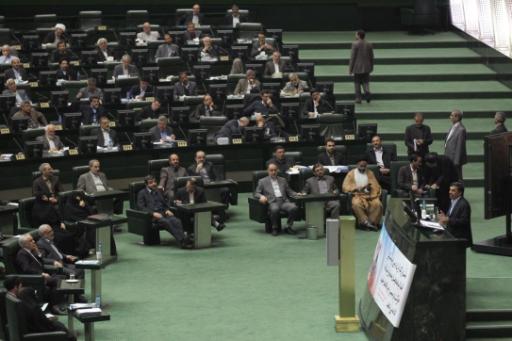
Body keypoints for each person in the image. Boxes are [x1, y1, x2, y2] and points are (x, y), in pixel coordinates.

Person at [15, 234, 66, 315]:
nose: (34, 241)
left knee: (61, 278)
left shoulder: (30, 251)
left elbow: (40, 263)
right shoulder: (22, 254)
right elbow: (26, 269)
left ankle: (58, 304)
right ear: (25, 244)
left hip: (42, 276)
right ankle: (54, 307)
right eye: (30, 241)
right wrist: (41, 274)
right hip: (35, 279)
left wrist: (37, 252)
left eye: (33, 239)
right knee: (58, 281)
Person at [136, 175, 191, 248]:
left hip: (164, 213)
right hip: (152, 217)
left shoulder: (158, 191)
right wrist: (153, 213)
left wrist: (167, 210)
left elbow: (165, 202)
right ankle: (182, 241)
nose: (154, 184)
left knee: (176, 220)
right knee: (167, 222)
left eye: (155, 182)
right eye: (151, 182)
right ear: (146, 184)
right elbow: (141, 207)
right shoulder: (142, 193)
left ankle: (183, 239)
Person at [254, 162, 299, 236]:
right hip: (272, 202)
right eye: (271, 170)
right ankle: (274, 227)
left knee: (294, 207)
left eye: (275, 170)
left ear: (277, 170)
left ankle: (288, 226)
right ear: (268, 171)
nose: (273, 172)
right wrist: (261, 196)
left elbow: (289, 191)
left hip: (283, 201)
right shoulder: (262, 181)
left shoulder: (283, 180)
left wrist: (297, 194)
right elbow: (256, 193)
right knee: (275, 209)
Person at [342, 157, 382, 230]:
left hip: (370, 195)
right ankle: (365, 222)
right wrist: (356, 188)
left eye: (364, 166)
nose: (363, 168)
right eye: (361, 166)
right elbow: (345, 186)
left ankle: (372, 222)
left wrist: (369, 188)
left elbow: (375, 185)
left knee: (377, 204)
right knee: (356, 204)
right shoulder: (351, 173)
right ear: (357, 165)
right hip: (357, 195)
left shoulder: (370, 173)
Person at [438, 182, 472, 246]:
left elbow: (464, 221)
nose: (450, 192)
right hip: (451, 234)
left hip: (459, 238)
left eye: (453, 190)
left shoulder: (464, 204)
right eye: (450, 190)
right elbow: (452, 216)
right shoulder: (452, 201)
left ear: (460, 193)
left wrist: (448, 220)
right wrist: (445, 218)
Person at [349, 30, 374, 104]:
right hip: (367, 67)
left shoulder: (355, 44)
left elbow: (353, 57)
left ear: (359, 35)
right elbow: (371, 57)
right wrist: (371, 66)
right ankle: (367, 91)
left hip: (357, 67)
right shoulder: (369, 44)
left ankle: (358, 98)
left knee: (357, 82)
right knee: (366, 81)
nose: (355, 36)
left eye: (356, 34)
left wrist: (350, 69)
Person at [444, 109, 467, 180]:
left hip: (455, 160)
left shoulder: (461, 130)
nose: (450, 117)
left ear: (457, 117)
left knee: (457, 178)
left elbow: (460, 147)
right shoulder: (453, 127)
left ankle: (460, 190)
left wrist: (456, 162)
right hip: (449, 157)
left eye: (451, 115)